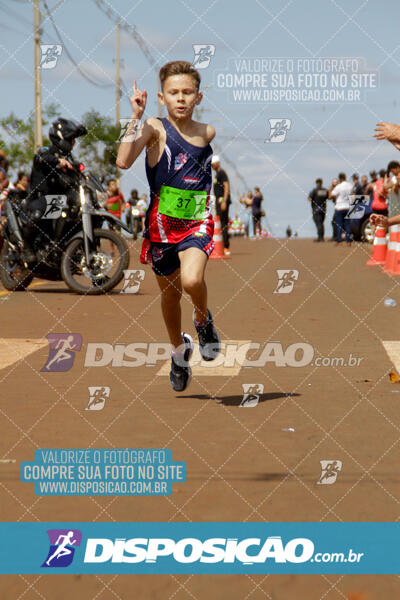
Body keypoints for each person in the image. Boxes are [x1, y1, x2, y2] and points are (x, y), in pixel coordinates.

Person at [116, 60, 221, 392]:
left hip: (196, 222)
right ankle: (179, 352)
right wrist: (134, 117)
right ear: (162, 97)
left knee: (192, 280)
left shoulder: (207, 133)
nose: (181, 98)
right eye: (174, 93)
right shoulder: (154, 127)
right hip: (162, 227)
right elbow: (122, 160)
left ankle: (203, 320)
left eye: (187, 92)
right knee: (170, 297)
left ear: (198, 97)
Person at [211, 155, 231, 256]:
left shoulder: (222, 173)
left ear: (217, 163)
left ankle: (226, 246)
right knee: (219, 223)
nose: (212, 166)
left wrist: (224, 201)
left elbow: (226, 186)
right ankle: (221, 246)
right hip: (218, 202)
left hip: (223, 201)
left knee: (223, 223)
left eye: (213, 164)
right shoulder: (217, 174)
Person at [329, 172, 352, 246]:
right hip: (348, 206)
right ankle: (348, 241)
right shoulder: (350, 185)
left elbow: (330, 196)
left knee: (339, 225)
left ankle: (339, 241)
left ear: (340, 178)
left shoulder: (339, 186)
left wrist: (331, 187)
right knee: (347, 225)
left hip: (339, 207)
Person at [308, 178, 328, 242]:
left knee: (318, 223)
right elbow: (329, 197)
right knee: (321, 223)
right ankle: (321, 236)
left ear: (316, 183)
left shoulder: (314, 190)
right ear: (321, 183)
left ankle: (320, 238)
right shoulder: (325, 190)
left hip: (316, 208)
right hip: (323, 208)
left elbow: (309, 198)